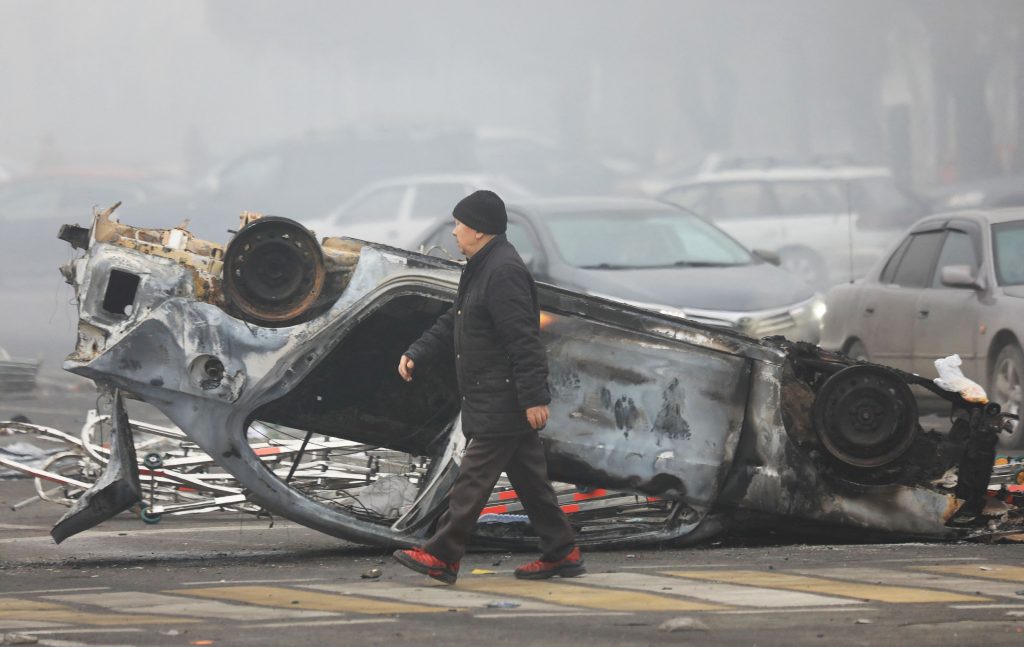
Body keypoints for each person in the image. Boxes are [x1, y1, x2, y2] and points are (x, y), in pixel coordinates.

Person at [392, 190, 583, 585]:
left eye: (459, 224)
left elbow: (523, 339)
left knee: (472, 481)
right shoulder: (481, 267)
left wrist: (534, 398)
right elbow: (455, 321)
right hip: (493, 394)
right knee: (531, 482)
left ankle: (443, 554)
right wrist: (417, 351)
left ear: (479, 230)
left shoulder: (503, 272)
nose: (455, 232)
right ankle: (563, 552)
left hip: (504, 397)